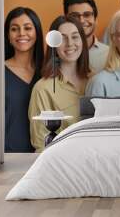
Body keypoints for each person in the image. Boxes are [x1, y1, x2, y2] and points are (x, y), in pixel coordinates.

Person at [29, 16, 90, 152]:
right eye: (62, 38)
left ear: (82, 41)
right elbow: (41, 144)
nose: (69, 43)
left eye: (75, 37)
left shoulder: (96, 81)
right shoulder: (43, 89)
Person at [5, 7, 44, 152]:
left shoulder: (46, 72)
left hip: (42, 156)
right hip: (6, 157)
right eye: (14, 29)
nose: (21, 33)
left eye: (27, 28)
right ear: (8, 35)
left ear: (37, 33)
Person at [63, 0, 109, 73]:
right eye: (74, 16)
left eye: (87, 15)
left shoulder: (110, 54)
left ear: (95, 19)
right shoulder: (59, 53)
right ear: (65, 20)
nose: (81, 20)